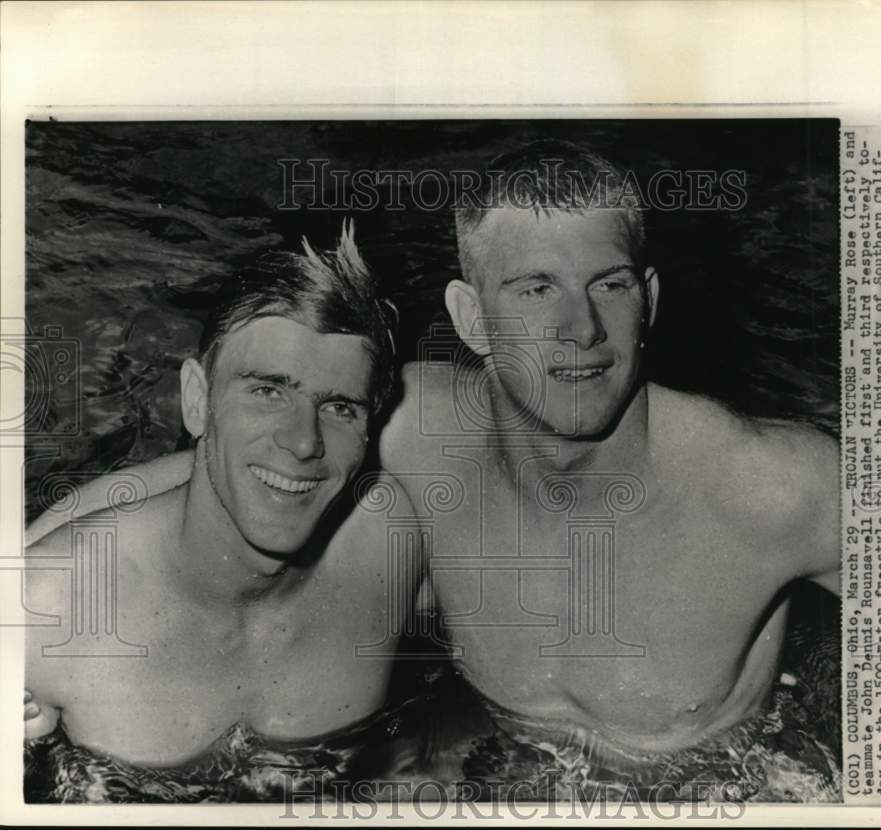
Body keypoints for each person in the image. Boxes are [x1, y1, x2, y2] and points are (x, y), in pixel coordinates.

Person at [29, 141, 840, 798]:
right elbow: (210, 472)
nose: (579, 329)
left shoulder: (773, 488)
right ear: (470, 319)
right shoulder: (414, 426)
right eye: (534, 289)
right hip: (483, 758)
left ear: (650, 300)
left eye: (611, 284)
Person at [22, 223, 422, 791]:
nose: (304, 441)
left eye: (339, 407)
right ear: (197, 400)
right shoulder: (45, 611)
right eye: (267, 391)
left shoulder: (388, 540)